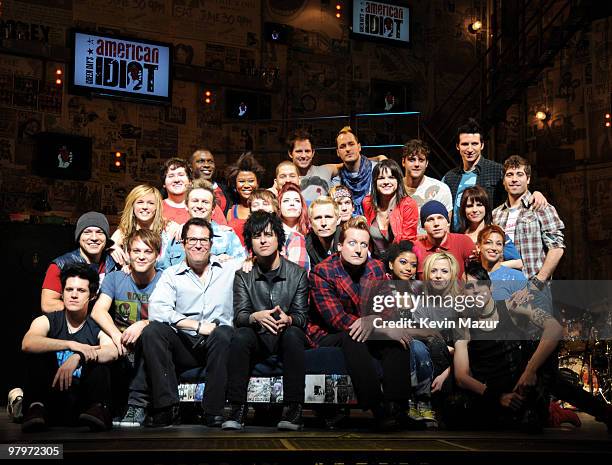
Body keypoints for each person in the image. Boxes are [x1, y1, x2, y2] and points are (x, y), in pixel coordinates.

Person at [308, 217, 413, 430]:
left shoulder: (375, 269)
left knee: (398, 339)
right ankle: (378, 408)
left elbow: (388, 309)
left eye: (364, 245)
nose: (358, 250)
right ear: (340, 246)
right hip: (329, 335)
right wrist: (374, 323)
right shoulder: (322, 271)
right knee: (353, 337)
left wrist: (375, 321)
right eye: (352, 243)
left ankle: (398, 408)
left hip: (367, 328)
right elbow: (337, 320)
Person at [143, 217, 238, 427]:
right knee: (153, 331)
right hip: (185, 344)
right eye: (192, 239)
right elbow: (157, 310)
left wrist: (249, 261)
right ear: (183, 243)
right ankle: (167, 408)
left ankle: (213, 411)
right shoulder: (171, 275)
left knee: (223, 333)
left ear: (211, 244)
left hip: (218, 344)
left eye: (203, 240)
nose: (198, 244)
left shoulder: (229, 269)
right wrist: (194, 325)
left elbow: (257, 261)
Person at [450, 262, 563, 432]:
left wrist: (530, 370)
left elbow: (554, 328)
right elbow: (461, 376)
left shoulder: (511, 306)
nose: (475, 292)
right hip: (490, 394)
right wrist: (497, 397)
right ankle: (553, 413)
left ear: (490, 287)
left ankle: (554, 412)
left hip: (520, 386)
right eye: (469, 287)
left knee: (544, 359)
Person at [223, 212, 309, 431]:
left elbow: (301, 317)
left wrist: (289, 319)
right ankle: (236, 408)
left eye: (268, 235)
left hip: (284, 337)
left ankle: (293, 409)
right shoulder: (243, 275)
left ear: (278, 238)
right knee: (240, 335)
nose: (263, 240)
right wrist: (255, 316)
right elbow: (240, 316)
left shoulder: (297, 274)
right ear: (250, 241)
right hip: (257, 337)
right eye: (256, 235)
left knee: (294, 334)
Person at [21, 264, 118, 432]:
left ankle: (98, 408)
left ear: (92, 296)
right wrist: (70, 344)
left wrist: (79, 355)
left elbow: (112, 352)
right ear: (63, 293)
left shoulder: (96, 327)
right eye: (69, 289)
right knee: (38, 352)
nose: (73, 295)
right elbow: (28, 343)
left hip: (84, 409)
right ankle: (35, 408)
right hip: (49, 404)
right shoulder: (48, 321)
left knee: (100, 362)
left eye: (81, 291)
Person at [90, 229, 162, 427]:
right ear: (128, 254)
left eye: (148, 252)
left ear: (158, 255)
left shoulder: (165, 280)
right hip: (120, 341)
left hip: (152, 342)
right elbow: (98, 311)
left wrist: (143, 324)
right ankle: (102, 406)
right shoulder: (115, 278)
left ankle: (137, 406)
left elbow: (171, 318)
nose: (141, 256)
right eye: (136, 251)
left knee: (150, 335)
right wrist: (115, 335)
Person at [442, 119, 547, 232]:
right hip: (458, 237)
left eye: (475, 144)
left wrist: (536, 193)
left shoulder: (497, 170)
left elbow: (517, 188)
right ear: (457, 146)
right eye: (465, 144)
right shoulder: (450, 177)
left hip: (488, 236)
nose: (470, 149)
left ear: (482, 145)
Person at [492, 155, 565, 284]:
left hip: (533, 287)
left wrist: (539, 280)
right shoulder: (496, 214)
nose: (514, 179)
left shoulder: (540, 207)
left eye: (519, 174)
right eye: (509, 175)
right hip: (504, 287)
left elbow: (557, 247)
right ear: (503, 181)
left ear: (528, 179)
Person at [159, 179, 246, 269]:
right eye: (195, 201)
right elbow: (163, 270)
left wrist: (229, 263)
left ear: (213, 208)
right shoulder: (176, 236)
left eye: (205, 202)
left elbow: (242, 265)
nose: (199, 206)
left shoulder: (227, 236)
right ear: (186, 206)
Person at [41, 211, 118, 313]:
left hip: (104, 325)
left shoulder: (115, 264)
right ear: (79, 237)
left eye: (100, 232)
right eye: (87, 232)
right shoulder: (61, 265)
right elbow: (48, 305)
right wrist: (84, 307)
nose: (94, 238)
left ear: (106, 238)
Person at [363, 159, 419, 259]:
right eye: (381, 178)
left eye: (391, 177)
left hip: (399, 261)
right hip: (374, 262)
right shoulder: (367, 202)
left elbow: (408, 243)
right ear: (375, 182)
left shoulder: (408, 204)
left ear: (398, 180)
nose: (386, 182)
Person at [459, 185, 523, 270]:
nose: (474, 210)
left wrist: (493, 266)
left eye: (479, 205)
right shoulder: (459, 236)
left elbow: (518, 263)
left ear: (486, 207)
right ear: (464, 209)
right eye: (469, 206)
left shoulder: (496, 232)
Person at [401, 139, 452, 235]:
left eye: (421, 160)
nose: (416, 164)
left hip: (430, 247)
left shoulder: (441, 189)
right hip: (402, 246)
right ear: (403, 162)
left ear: (427, 163)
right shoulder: (394, 188)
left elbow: (446, 230)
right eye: (412, 160)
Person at [413, 200, 474, 279]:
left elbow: (477, 275)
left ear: (448, 222)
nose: (436, 224)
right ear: (423, 226)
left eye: (440, 218)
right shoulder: (417, 247)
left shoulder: (463, 242)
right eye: (430, 219)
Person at [109, 184, 166, 267]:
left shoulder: (167, 229)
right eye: (140, 202)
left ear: (157, 207)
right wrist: (112, 248)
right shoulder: (124, 232)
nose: (145, 207)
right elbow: (108, 245)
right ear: (132, 206)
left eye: (150, 203)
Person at [333, 126, 378, 215]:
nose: (348, 149)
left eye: (351, 144)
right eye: (342, 146)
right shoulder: (336, 181)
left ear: (359, 147)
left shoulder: (377, 172)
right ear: (338, 152)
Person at [476, 224, 527, 300]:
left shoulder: (516, 277)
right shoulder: (471, 275)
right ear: (478, 246)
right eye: (488, 242)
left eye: (499, 244)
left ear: (503, 248)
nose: (494, 248)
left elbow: (531, 308)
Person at [226, 152, 266, 245]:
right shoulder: (231, 213)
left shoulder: (266, 207)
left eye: (251, 181)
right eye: (241, 181)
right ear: (235, 185)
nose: (246, 185)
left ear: (258, 183)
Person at [278, 182, 311, 271]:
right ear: (279, 206)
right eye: (286, 200)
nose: (292, 204)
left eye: (297, 200)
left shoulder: (311, 233)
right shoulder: (272, 234)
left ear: (302, 207)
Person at [190, 149, 232, 215]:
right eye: (201, 161)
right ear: (191, 167)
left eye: (210, 162)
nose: (207, 165)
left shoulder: (226, 190)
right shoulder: (185, 189)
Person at [305, 196, 341, 267]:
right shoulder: (306, 244)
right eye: (318, 218)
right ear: (310, 222)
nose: (323, 223)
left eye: (328, 217)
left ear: (338, 220)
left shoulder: (347, 240)